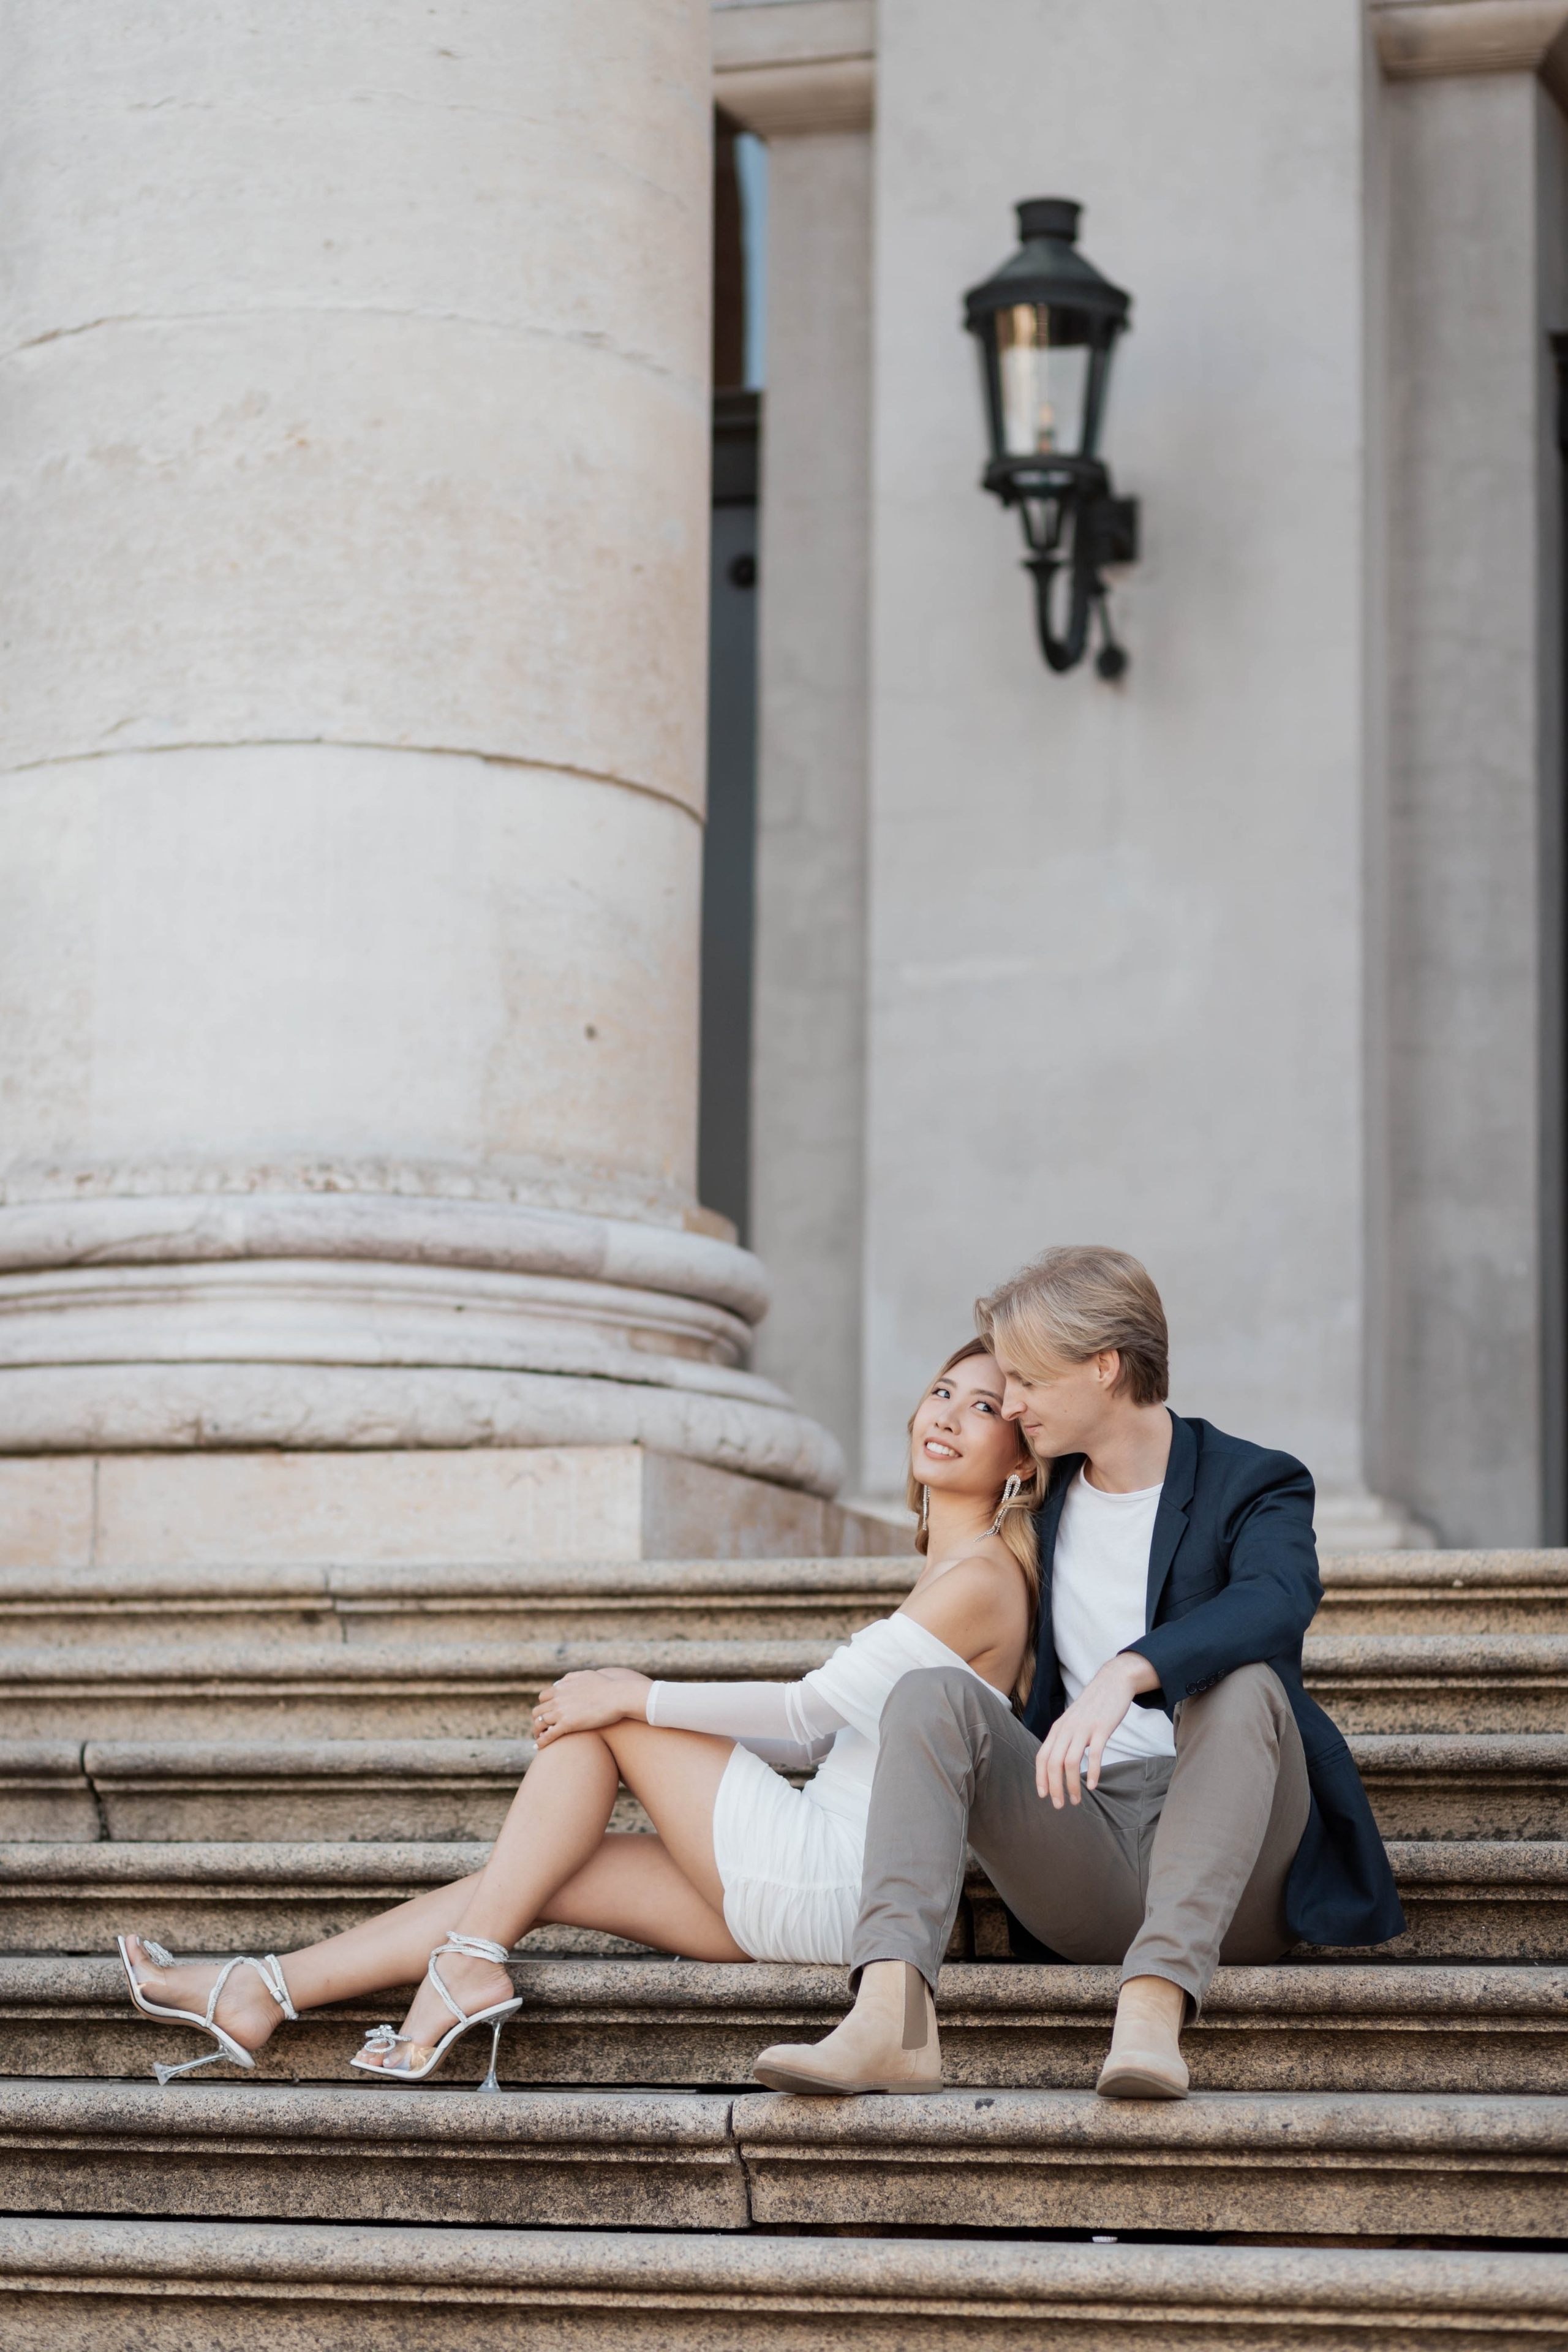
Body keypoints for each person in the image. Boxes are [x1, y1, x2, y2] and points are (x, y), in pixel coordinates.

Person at [115, 1340, 1045, 2087]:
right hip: (816, 1891)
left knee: (603, 1718)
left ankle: (467, 1965)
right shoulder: (948, 1575)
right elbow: (820, 1736)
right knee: (541, 1872)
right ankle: (264, 1990)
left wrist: (634, 1696)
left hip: (839, 1883)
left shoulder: (981, 1582)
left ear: (1022, 1456)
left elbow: (805, 1717)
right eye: (941, 1392)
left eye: (983, 1408)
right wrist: (640, 1702)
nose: (947, 1414)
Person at [752, 1245, 1405, 2102]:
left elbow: (1277, 1598)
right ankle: (891, 2025)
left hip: (1237, 1867)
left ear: (1104, 1367)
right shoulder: (1042, 1497)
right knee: (929, 1692)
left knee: (1246, 1681)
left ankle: (1152, 2012)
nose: (1012, 1403)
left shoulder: (1254, 1482)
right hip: (1084, 1844)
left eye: (1027, 1380)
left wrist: (1131, 1670)